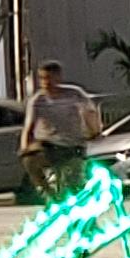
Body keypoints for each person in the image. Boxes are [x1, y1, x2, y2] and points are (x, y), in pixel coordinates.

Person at [20, 63, 103, 201]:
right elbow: (28, 127)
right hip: (49, 145)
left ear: (58, 78)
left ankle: (83, 211)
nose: (46, 83)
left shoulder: (74, 94)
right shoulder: (37, 100)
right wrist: (25, 147)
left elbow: (90, 113)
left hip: (73, 145)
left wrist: (94, 132)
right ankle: (48, 193)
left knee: (74, 181)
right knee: (29, 160)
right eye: (42, 78)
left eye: (49, 78)